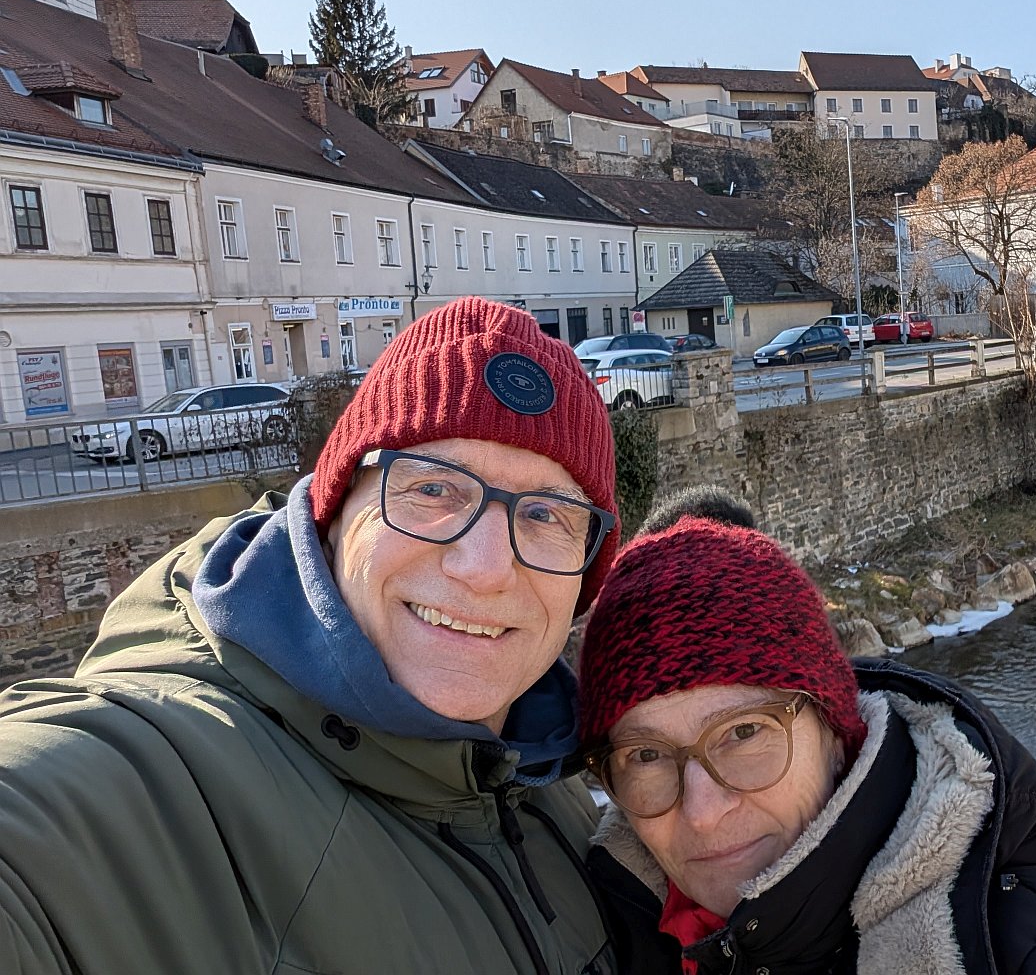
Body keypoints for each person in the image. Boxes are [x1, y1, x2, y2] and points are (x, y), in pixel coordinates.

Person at [0, 297, 624, 973]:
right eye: (433, 490)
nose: (485, 568)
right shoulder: (164, 776)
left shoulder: (553, 761)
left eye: (545, 515)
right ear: (334, 516)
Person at [577, 490, 1036, 975]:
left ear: (836, 731)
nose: (702, 812)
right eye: (646, 754)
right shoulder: (601, 936)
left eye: (745, 731)